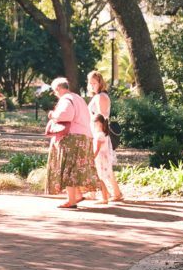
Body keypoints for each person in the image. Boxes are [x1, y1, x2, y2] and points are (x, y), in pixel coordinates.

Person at [44, 77, 96, 209]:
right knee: (76, 167)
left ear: (59, 89)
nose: (55, 93)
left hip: (72, 138)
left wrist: (52, 114)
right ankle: (77, 195)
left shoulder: (66, 99)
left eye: (54, 90)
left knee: (68, 167)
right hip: (85, 136)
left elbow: (66, 115)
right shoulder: (78, 98)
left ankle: (71, 200)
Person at [87, 71, 123, 201]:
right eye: (90, 83)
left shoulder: (101, 96)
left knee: (102, 164)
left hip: (100, 134)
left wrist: (98, 135)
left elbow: (101, 117)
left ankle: (110, 194)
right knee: (103, 165)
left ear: (100, 83)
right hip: (97, 132)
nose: (91, 86)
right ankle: (112, 193)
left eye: (94, 83)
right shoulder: (98, 96)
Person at [92, 114, 119, 204]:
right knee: (101, 177)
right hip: (103, 158)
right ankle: (106, 194)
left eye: (95, 123)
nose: (94, 125)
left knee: (100, 177)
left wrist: (92, 158)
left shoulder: (100, 135)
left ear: (98, 123)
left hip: (100, 159)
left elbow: (97, 149)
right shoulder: (104, 134)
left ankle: (104, 198)